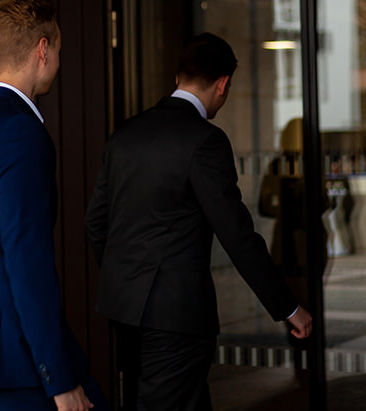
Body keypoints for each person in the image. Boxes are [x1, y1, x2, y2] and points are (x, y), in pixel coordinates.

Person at [85, 33, 312, 411]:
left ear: (178, 77)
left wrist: (125, 280)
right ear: (223, 84)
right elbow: (237, 235)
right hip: (177, 318)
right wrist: (288, 307)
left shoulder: (125, 134)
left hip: (123, 312)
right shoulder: (205, 140)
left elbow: (95, 222)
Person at [0, 0, 107, 411]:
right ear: (43, 49)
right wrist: (59, 377)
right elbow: (27, 263)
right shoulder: (21, 132)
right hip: (18, 364)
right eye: (59, 50)